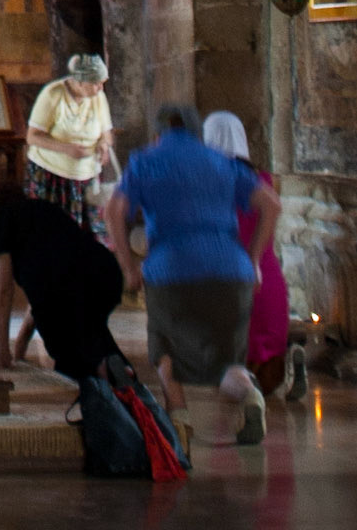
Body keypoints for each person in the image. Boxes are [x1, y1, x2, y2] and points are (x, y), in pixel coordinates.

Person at [108, 102, 281, 460]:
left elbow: (113, 210)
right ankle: (248, 395)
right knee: (228, 360)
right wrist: (251, 259)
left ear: (157, 135)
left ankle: (179, 424)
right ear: (197, 133)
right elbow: (271, 205)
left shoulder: (145, 160)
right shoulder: (223, 161)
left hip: (171, 270)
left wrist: (128, 265)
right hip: (230, 271)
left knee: (165, 349)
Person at [203, 110, 303, 400]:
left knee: (225, 371)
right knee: (268, 354)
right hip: (268, 278)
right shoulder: (263, 179)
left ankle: (248, 395)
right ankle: (285, 369)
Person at [0, 179, 124, 382]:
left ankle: (98, 381)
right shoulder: (45, 209)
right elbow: (41, 287)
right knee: (91, 333)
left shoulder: (1, 219)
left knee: (68, 353)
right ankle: (116, 372)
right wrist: (21, 344)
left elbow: (1, 289)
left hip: (63, 288)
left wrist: (1, 351)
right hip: (105, 273)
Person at [25, 53, 114, 226]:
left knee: (89, 234)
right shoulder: (52, 94)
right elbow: (32, 137)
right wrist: (66, 148)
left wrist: (104, 144)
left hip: (87, 176)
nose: (100, 88)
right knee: (53, 230)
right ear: (80, 82)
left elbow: (106, 132)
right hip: (51, 174)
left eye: (102, 83)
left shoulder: (98, 98)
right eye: (96, 83)